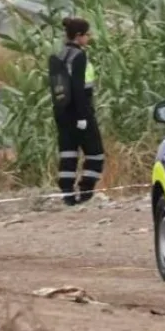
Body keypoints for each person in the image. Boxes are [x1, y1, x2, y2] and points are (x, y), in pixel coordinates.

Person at [49, 17, 104, 206]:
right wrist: (83, 116)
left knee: (68, 152)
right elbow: (78, 88)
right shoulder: (79, 56)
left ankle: (67, 194)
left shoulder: (59, 55)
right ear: (79, 36)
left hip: (62, 112)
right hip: (80, 111)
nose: (89, 38)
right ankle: (86, 191)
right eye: (87, 34)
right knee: (96, 153)